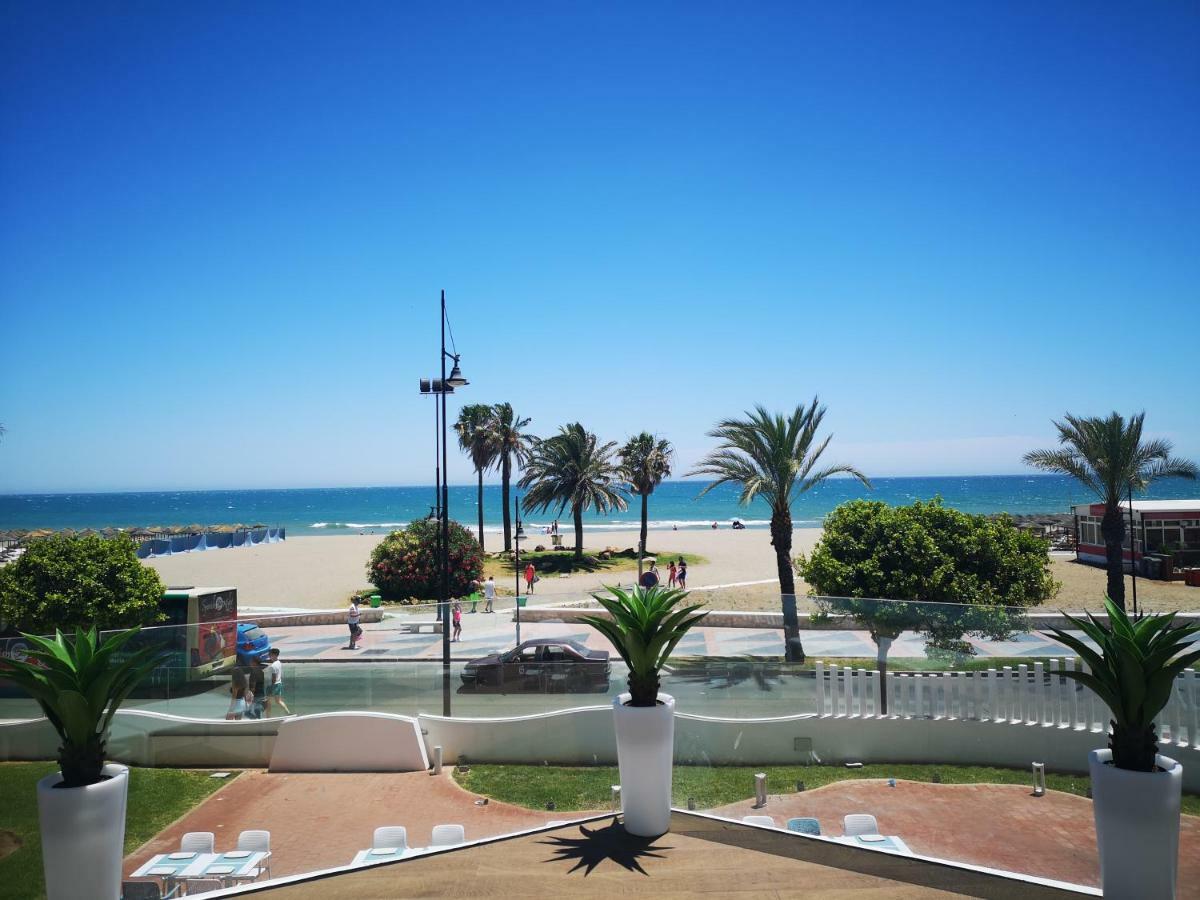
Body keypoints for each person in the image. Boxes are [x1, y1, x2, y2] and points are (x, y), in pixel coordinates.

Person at [265, 647, 290, 716]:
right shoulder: (279, 663)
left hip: (273, 685)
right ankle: (288, 712)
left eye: (270, 655)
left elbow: (273, 678)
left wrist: (270, 686)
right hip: (279, 684)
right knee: (278, 701)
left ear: (274, 655)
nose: (269, 656)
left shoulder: (273, 666)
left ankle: (268, 717)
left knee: (268, 702)